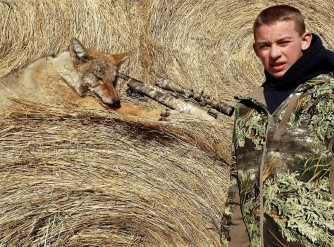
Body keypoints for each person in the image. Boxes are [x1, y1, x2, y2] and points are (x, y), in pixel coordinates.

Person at [222, 4, 334, 247]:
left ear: (305, 40)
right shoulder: (248, 109)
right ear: (255, 50)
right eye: (265, 45)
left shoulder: (328, 96)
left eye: (284, 42)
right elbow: (239, 189)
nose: (274, 54)